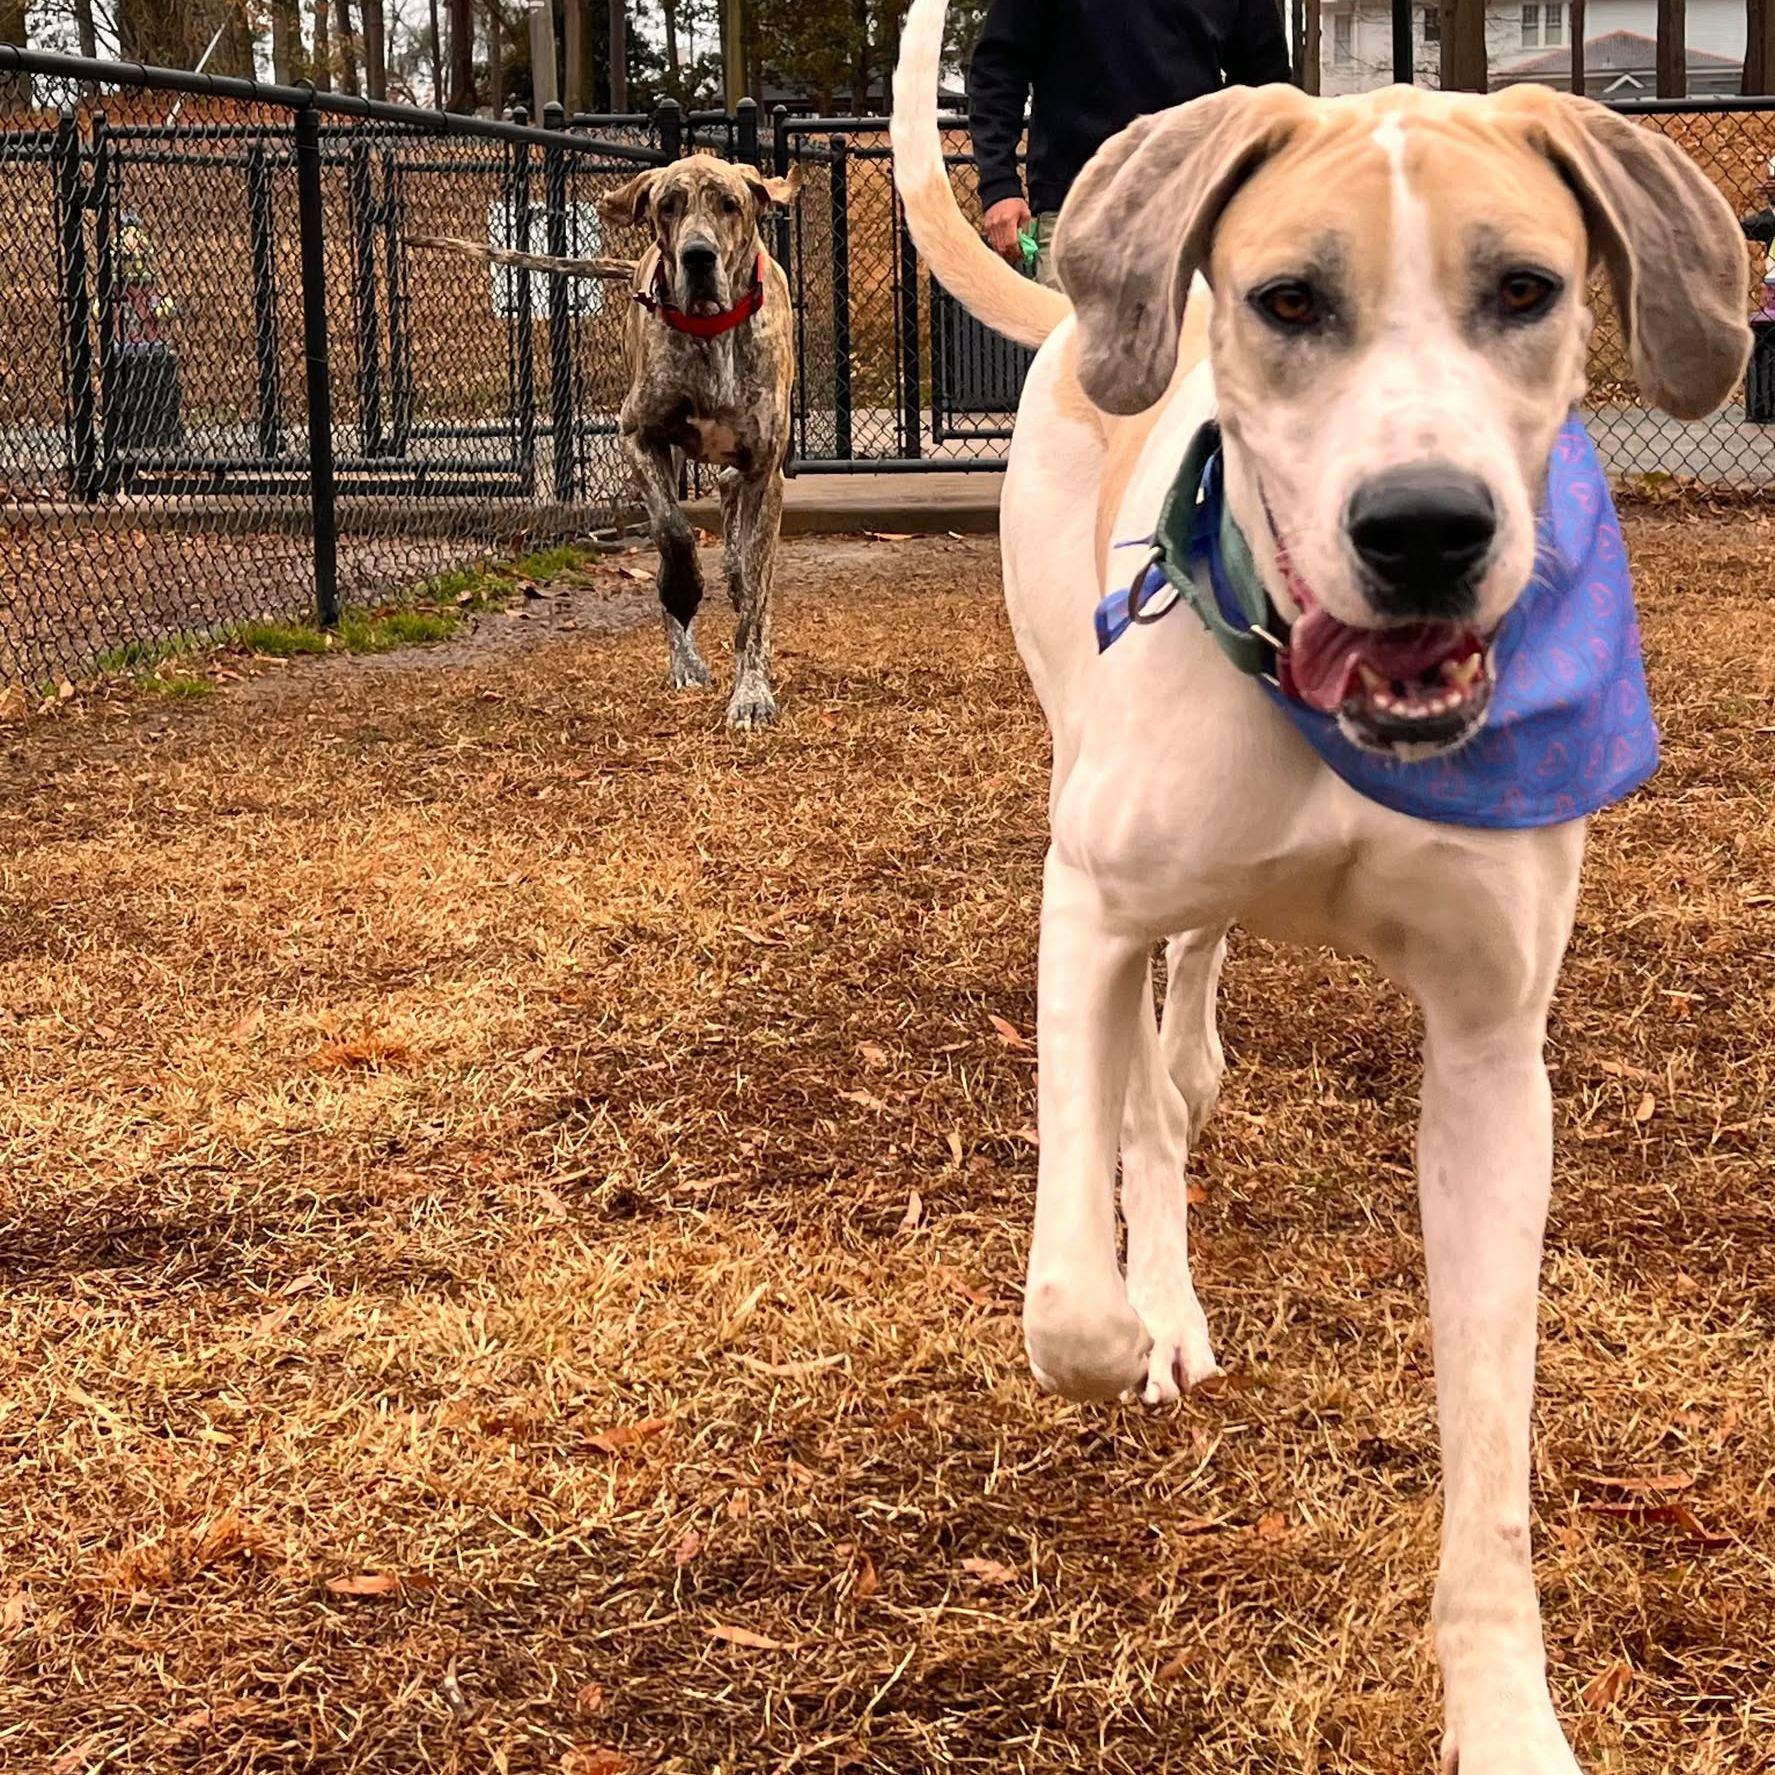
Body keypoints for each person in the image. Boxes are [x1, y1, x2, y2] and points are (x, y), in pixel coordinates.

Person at [967, 0, 1293, 287]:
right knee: (1078, 355)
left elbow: (1266, 88)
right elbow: (999, 70)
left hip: (1193, 215)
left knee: (1192, 354)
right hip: (1079, 209)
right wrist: (1000, 187)